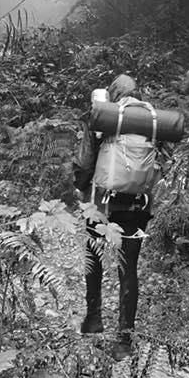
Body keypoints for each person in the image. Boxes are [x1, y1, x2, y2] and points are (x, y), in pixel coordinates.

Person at [73, 74, 152, 360]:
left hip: (101, 204)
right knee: (128, 268)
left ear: (112, 95)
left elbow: (84, 162)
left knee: (93, 258)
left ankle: (93, 319)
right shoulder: (151, 122)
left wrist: (82, 188)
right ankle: (124, 340)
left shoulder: (102, 119)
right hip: (137, 205)